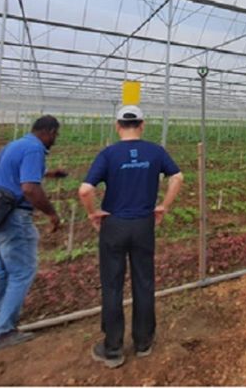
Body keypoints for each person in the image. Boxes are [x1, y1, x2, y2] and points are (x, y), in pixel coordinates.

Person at [79, 105, 184, 369]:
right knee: (144, 281)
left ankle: (113, 348)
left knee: (112, 285)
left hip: (114, 224)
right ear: (142, 125)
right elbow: (178, 177)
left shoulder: (108, 154)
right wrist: (164, 205)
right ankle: (143, 341)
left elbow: (84, 190)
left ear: (117, 126)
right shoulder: (155, 151)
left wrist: (94, 213)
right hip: (143, 224)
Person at [0, 115, 66, 352]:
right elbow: (29, 188)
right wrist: (51, 213)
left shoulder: (15, 145)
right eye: (55, 135)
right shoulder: (35, 148)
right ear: (48, 131)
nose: (54, 140)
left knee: (3, 267)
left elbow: (13, 173)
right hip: (14, 218)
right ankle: (2, 331)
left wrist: (48, 174)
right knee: (22, 272)